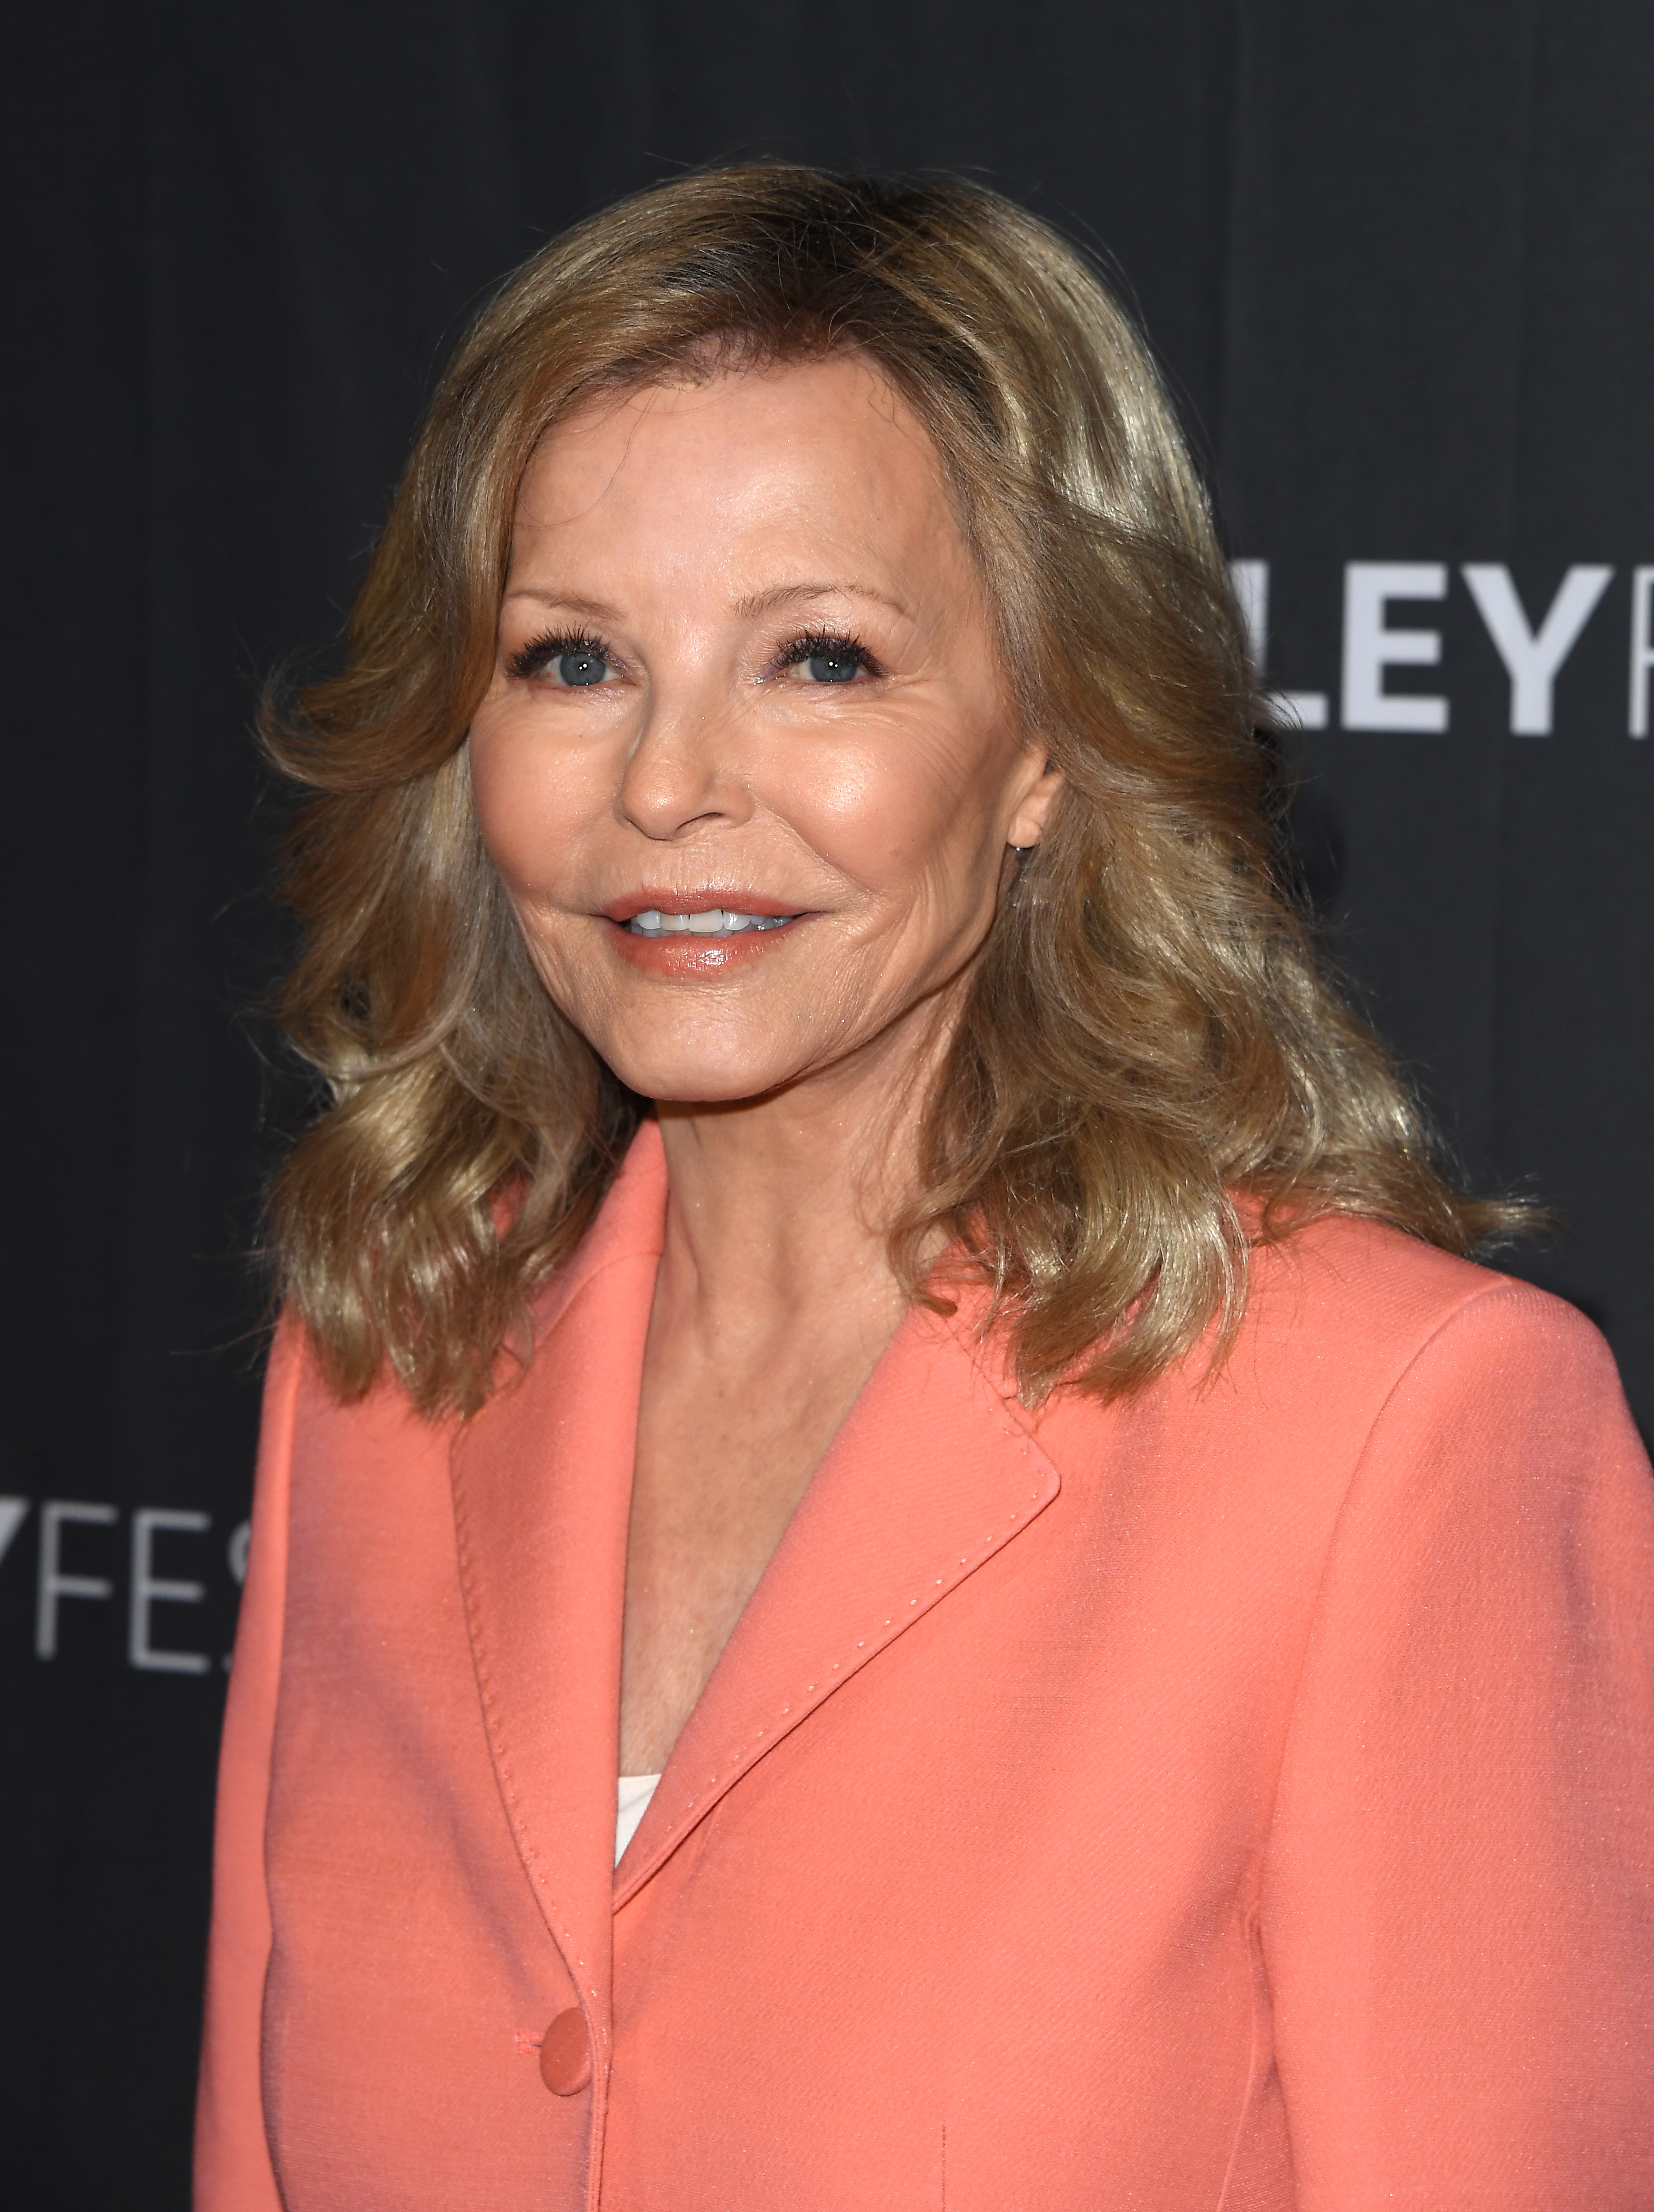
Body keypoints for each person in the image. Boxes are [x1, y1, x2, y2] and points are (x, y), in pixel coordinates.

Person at [194, 166, 1654, 2211]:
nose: (667, 785)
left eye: (818, 660)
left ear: (1048, 742)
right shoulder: (375, 1372)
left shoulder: (1406, 1433)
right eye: (570, 660)